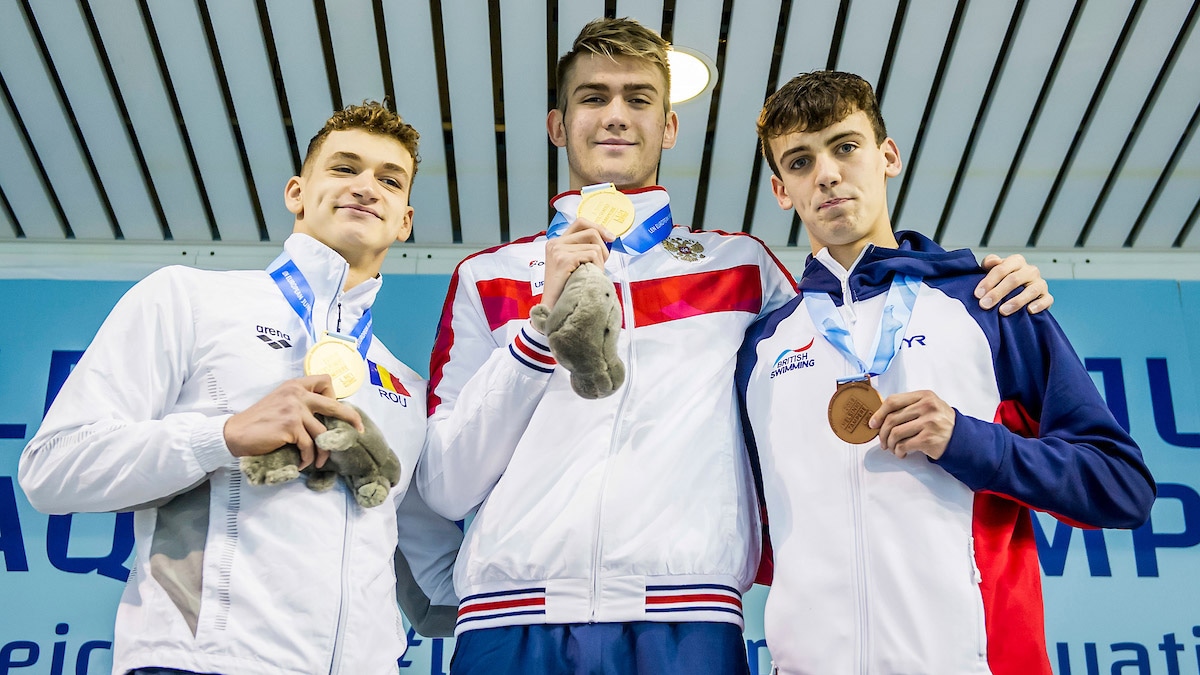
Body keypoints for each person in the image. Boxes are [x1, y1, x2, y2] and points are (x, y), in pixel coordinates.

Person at [417, 18, 1050, 675]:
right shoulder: (486, 277)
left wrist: (973, 276)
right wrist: (540, 328)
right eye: (592, 97)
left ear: (668, 129)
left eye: (638, 99)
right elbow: (444, 484)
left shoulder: (742, 268)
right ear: (557, 125)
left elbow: (854, 331)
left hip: (688, 620)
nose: (614, 115)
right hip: (507, 618)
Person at [736, 70, 1157, 674]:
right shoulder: (761, 347)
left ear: (888, 156)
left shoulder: (990, 301)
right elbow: (755, 539)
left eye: (845, 147)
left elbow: (1122, 487)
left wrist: (969, 441)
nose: (826, 173)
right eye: (800, 161)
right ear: (782, 190)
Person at [19, 102, 461, 675]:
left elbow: (439, 580)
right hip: (200, 664)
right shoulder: (190, 299)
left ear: (404, 220)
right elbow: (51, 469)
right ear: (297, 192)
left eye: (389, 179)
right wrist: (221, 436)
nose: (366, 187)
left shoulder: (404, 386)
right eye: (345, 168)